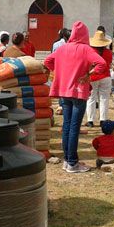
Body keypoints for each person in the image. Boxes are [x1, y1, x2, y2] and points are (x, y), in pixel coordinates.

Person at [44, 21, 106, 173]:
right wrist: (88, 75)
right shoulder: (86, 49)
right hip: (78, 91)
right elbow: (102, 64)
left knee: (66, 125)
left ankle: (67, 160)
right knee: (74, 127)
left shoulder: (62, 48)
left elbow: (47, 61)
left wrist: (60, 72)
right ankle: (72, 162)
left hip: (64, 91)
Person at [85, 31, 113, 128]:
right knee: (104, 99)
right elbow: (108, 64)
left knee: (91, 99)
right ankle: (103, 119)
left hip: (93, 77)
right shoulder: (108, 53)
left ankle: (90, 120)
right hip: (105, 76)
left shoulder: (90, 52)